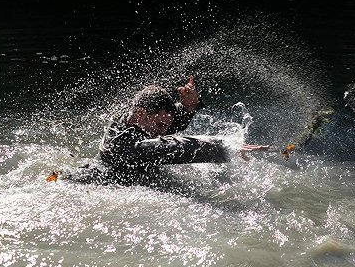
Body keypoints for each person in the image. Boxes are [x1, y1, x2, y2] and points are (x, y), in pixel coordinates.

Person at [86, 75, 268, 186]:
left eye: (166, 127)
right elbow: (172, 145)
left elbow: (165, 127)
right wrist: (223, 147)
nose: (163, 133)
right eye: (160, 127)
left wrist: (190, 108)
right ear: (141, 114)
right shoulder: (121, 144)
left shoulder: (139, 121)